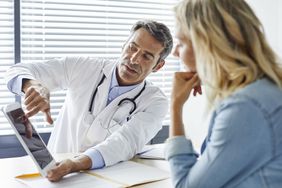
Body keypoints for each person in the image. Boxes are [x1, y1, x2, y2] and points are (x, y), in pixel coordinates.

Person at [6, 20, 173, 181]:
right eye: (132, 48)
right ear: (124, 45)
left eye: (147, 56)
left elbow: (126, 142)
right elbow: (17, 70)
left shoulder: (155, 102)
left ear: (158, 66)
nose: (134, 59)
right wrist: (32, 85)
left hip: (106, 180)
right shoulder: (84, 67)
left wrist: (75, 164)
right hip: (53, 174)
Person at [165, 0, 282, 187]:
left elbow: (186, 185)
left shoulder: (247, 106)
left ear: (208, 44)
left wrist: (175, 106)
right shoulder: (263, 90)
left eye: (180, 42)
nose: (175, 53)